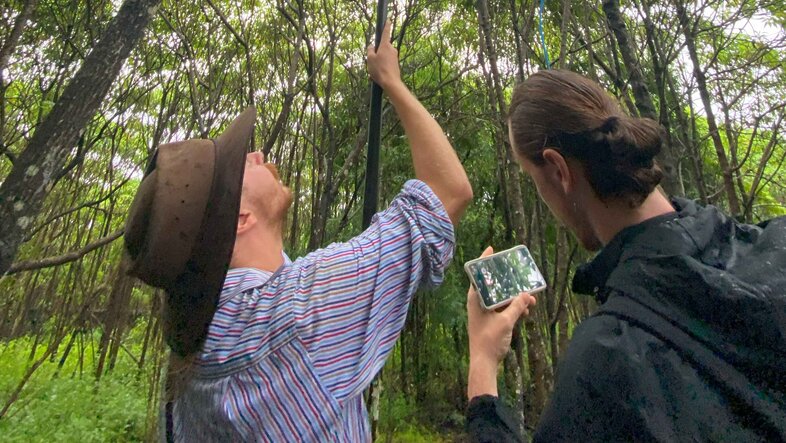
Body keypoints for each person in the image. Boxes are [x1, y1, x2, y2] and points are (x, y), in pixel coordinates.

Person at [123, 21, 472, 442]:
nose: (255, 154)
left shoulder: (188, 355)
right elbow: (447, 193)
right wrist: (392, 82)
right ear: (239, 220)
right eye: (238, 168)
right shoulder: (297, 315)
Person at [464, 69, 786, 442]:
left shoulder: (606, 362)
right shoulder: (776, 239)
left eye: (531, 178)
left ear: (557, 170)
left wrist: (483, 372)